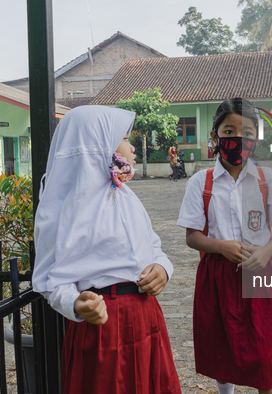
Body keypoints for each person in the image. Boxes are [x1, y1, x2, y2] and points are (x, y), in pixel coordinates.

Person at [32, 106, 181, 394]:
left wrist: (162, 268)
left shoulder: (125, 195)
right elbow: (50, 278)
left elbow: (152, 246)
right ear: (98, 145)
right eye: (124, 138)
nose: (132, 146)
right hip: (103, 326)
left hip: (145, 314)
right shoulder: (62, 209)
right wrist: (75, 303)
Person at [177, 98, 272, 394]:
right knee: (221, 345)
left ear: (257, 138)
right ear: (215, 136)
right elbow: (192, 236)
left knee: (264, 355)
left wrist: (266, 252)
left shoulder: (269, 180)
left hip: (258, 276)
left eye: (248, 133)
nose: (238, 139)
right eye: (229, 131)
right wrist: (220, 247)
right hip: (216, 275)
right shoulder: (200, 183)